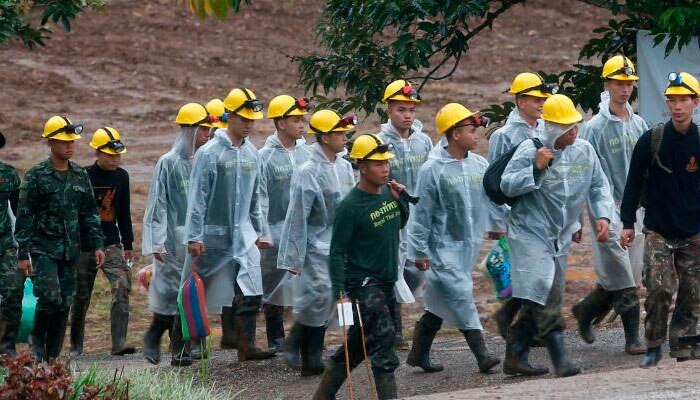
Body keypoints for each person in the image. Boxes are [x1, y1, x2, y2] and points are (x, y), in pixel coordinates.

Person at [500, 94, 613, 377]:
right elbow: (506, 185)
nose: (573, 132)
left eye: (575, 126)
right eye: (566, 128)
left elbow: (598, 186)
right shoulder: (530, 149)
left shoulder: (584, 151)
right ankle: (560, 358)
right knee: (545, 289)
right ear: (550, 128)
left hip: (560, 234)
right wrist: (535, 168)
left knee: (544, 293)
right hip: (529, 231)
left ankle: (515, 351)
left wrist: (602, 216)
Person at [183, 88, 276, 364]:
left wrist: (260, 231)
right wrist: (194, 236)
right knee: (195, 290)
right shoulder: (210, 153)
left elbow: (257, 195)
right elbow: (197, 197)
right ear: (229, 116)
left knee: (251, 289)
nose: (249, 124)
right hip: (212, 235)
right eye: (244, 118)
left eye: (252, 119)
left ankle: (247, 346)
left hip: (243, 233)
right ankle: (183, 347)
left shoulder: (252, 154)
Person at [406, 103, 500, 375]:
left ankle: (418, 353)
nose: (476, 135)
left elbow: (490, 200)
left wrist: (498, 225)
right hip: (441, 247)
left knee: (440, 300)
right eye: (471, 130)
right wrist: (419, 251)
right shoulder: (432, 169)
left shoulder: (479, 164)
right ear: (454, 134)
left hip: (467, 246)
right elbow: (421, 214)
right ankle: (482, 355)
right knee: (460, 293)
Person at [313, 134, 409, 400]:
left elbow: (398, 224)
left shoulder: (388, 195)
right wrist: (340, 291)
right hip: (365, 284)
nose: (385, 168)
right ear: (362, 167)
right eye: (377, 163)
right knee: (385, 342)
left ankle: (323, 395)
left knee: (359, 343)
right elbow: (337, 251)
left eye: (386, 162)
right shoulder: (350, 206)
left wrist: (401, 200)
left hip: (387, 280)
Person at [620, 71, 700, 367]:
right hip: (658, 230)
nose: (677, 106)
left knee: (693, 291)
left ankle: (685, 345)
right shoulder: (651, 140)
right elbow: (632, 183)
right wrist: (627, 222)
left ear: (695, 102)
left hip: (692, 230)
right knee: (659, 287)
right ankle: (654, 343)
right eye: (672, 100)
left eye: (683, 100)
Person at [573, 55, 647, 355]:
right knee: (623, 274)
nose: (625, 89)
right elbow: (586, 175)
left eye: (629, 83)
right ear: (607, 84)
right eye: (619, 83)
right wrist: (579, 217)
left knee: (626, 272)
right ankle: (632, 338)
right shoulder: (595, 128)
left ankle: (584, 310)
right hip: (607, 207)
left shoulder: (639, 123)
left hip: (635, 210)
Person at [15, 116, 105, 361]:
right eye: (64, 141)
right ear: (51, 143)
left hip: (71, 251)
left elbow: (89, 212)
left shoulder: (79, 175)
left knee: (64, 303)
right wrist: (23, 253)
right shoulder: (36, 176)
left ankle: (52, 358)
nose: (70, 146)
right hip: (43, 250)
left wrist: (97, 244)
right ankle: (38, 347)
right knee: (50, 297)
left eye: (72, 141)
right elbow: (25, 216)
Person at [277, 109, 355, 375]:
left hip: (338, 246)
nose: (344, 137)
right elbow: (297, 216)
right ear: (323, 137)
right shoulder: (308, 171)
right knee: (318, 296)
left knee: (330, 298)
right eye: (338, 133)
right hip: (314, 247)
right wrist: (294, 256)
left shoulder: (345, 166)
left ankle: (310, 356)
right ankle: (298, 346)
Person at [142, 103, 211, 365]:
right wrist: (157, 241)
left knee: (192, 293)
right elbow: (157, 202)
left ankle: (187, 346)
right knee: (172, 293)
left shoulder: (206, 161)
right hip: (172, 240)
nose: (207, 134)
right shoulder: (168, 163)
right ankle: (157, 337)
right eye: (203, 129)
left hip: (197, 241)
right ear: (189, 130)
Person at [489, 72, 553, 339]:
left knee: (535, 273)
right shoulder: (504, 135)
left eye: (542, 98)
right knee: (531, 273)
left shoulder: (545, 130)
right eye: (534, 98)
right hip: (515, 213)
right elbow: (492, 181)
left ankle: (513, 317)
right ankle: (528, 331)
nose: (540, 103)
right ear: (519, 100)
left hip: (542, 213)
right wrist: (497, 221)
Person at [70, 127, 136, 357]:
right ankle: (76, 346)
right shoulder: (82, 175)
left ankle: (119, 342)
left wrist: (128, 245)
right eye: (109, 155)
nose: (115, 159)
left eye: (117, 155)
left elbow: (124, 213)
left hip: (111, 243)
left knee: (121, 286)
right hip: (84, 245)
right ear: (97, 153)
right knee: (81, 297)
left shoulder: (122, 176)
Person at [257, 95, 312, 354]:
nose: (302, 125)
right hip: (275, 229)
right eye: (295, 120)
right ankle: (275, 336)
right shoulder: (264, 157)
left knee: (304, 283)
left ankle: (304, 336)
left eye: (302, 119)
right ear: (280, 123)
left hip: (303, 231)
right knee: (272, 285)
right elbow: (260, 196)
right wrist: (264, 230)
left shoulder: (307, 152)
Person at [377, 79, 428, 350]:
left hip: (420, 217)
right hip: (392, 217)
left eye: (411, 110)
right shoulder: (380, 142)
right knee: (392, 271)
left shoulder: (423, 141)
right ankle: (393, 332)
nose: (407, 115)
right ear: (388, 111)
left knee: (417, 271)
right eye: (400, 109)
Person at [0, 129, 23, 356]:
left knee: (14, 290)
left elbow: (18, 213)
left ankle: (7, 347)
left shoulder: (8, 175)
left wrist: (23, 248)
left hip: (5, 243)